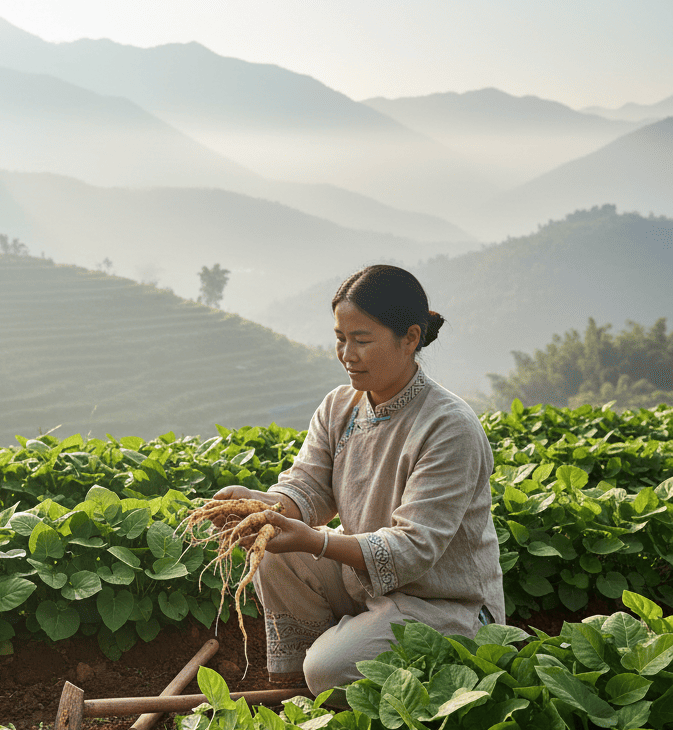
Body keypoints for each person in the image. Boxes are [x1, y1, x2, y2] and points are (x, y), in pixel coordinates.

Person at [215, 264, 505, 697]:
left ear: (410, 338)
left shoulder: (449, 427)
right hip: (366, 581)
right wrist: (261, 505)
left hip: (442, 605)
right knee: (274, 551)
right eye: (340, 339)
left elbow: (413, 549)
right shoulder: (339, 407)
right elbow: (307, 487)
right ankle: (330, 665)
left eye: (361, 340)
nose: (347, 354)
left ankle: (336, 664)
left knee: (329, 670)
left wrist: (315, 541)